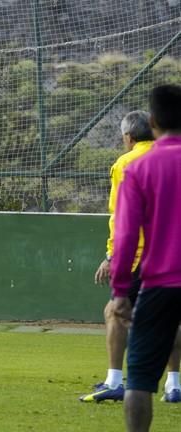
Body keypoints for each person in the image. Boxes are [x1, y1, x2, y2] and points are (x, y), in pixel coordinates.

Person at [80, 111, 181, 403]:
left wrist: (112, 256)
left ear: (129, 137)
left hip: (142, 257)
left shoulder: (126, 164)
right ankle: (174, 387)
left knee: (114, 312)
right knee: (171, 318)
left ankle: (115, 381)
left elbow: (123, 218)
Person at [111, 84, 181, 431]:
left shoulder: (138, 168)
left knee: (138, 379)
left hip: (160, 283)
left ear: (152, 121)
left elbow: (124, 236)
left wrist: (120, 291)